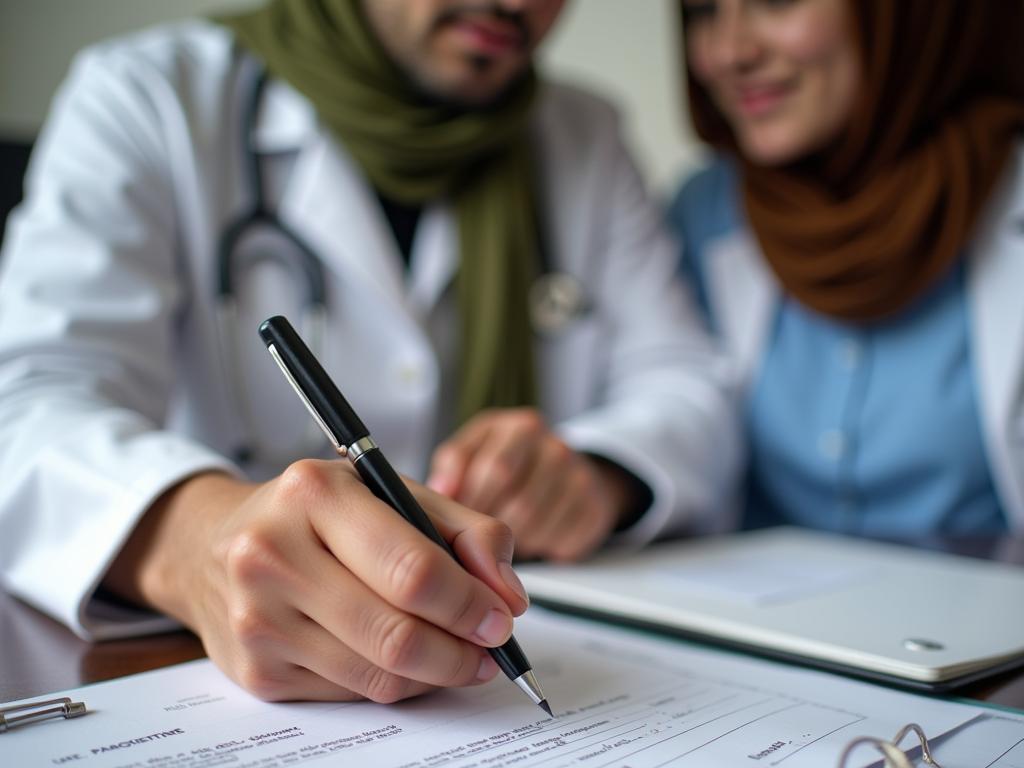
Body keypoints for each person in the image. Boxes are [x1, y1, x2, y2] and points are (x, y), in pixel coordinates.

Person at [0, 1, 737, 704]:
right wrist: (196, 546)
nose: (519, 2)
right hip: (211, 669)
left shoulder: (583, 133)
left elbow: (688, 384)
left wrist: (592, 477)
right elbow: (26, 406)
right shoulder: (149, 98)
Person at [670, 0, 1024, 536]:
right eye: (701, 11)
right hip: (746, 616)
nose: (729, 52)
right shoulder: (702, 212)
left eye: (774, 3)